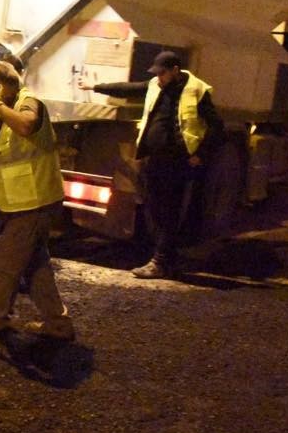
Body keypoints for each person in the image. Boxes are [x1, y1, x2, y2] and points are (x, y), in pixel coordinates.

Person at [83, 50, 224, 279]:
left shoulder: (196, 91)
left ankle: (160, 262)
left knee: (168, 211)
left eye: (163, 73)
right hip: (154, 160)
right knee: (155, 209)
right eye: (156, 73)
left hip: (177, 161)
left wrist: (201, 154)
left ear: (175, 71)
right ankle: (166, 258)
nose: (159, 77)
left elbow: (217, 126)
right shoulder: (155, 85)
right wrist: (95, 86)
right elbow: (128, 89)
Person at [0, 61, 75, 341]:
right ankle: (58, 324)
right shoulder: (3, 114)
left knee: (7, 261)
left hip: (35, 201)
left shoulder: (29, 104)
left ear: (0, 87)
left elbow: (27, 126)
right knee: (35, 265)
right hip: (17, 202)